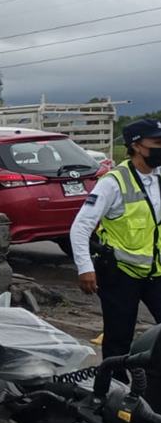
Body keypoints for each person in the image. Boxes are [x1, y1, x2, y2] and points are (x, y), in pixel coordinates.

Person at [69, 118, 161, 360]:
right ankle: (113, 389)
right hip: (121, 273)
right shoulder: (113, 182)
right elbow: (80, 227)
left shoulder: (158, 178)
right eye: (157, 143)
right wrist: (85, 268)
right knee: (119, 338)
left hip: (155, 272)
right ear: (137, 146)